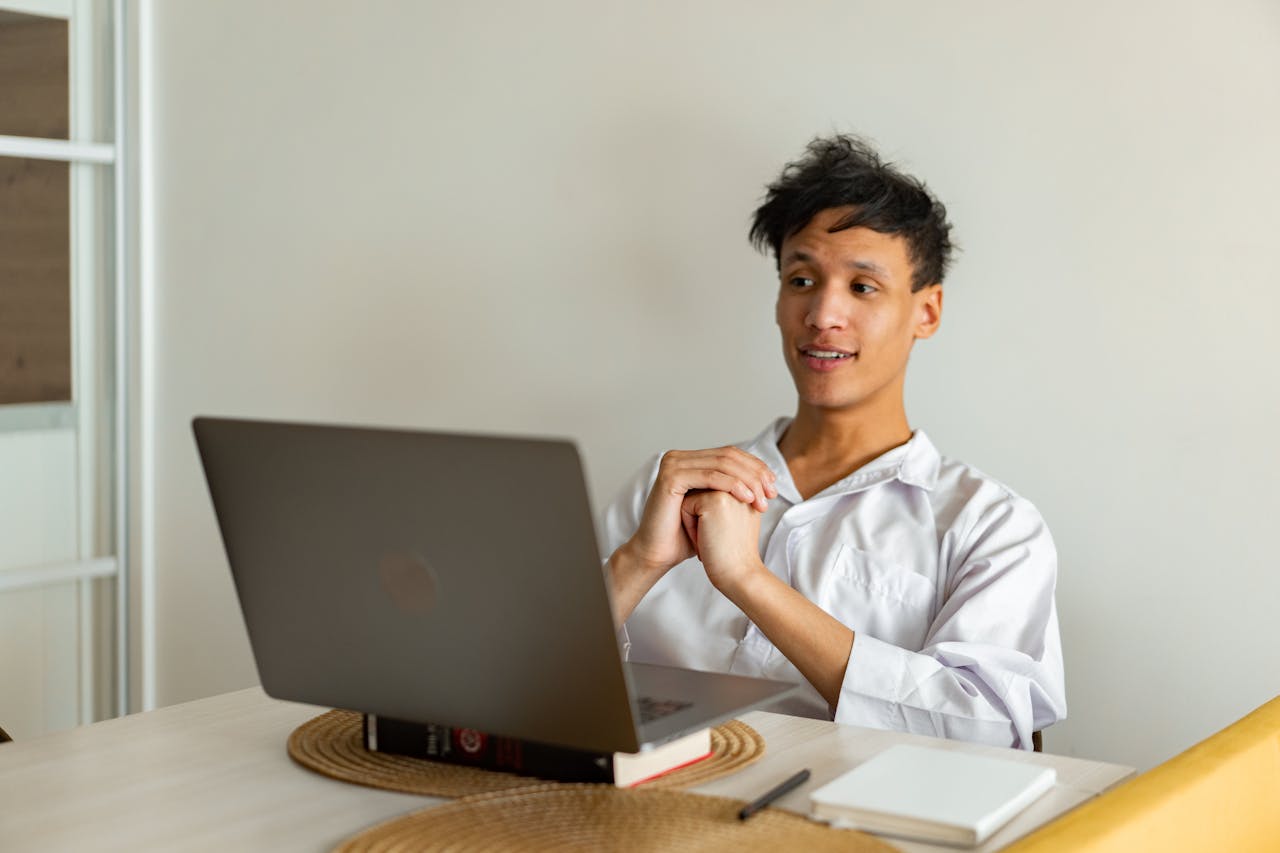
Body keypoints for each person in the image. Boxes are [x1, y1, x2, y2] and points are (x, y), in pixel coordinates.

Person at [601, 134, 1066, 750]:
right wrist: (639, 561)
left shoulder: (991, 525)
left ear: (926, 312)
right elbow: (528, 685)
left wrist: (748, 580)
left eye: (862, 287)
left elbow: (987, 732)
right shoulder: (671, 488)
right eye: (801, 279)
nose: (822, 314)